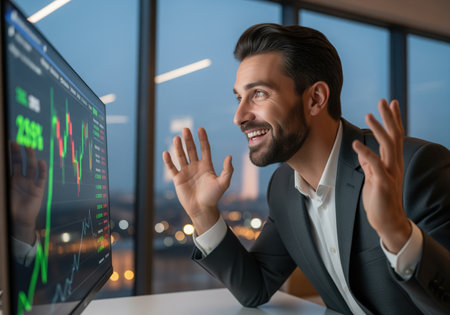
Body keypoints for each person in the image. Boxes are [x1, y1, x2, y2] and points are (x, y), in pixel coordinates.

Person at [162, 23, 450, 314]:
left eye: (259, 94)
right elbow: (255, 287)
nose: (239, 116)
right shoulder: (284, 187)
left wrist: (397, 233)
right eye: (239, 98)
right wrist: (203, 213)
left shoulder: (416, 167)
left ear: (315, 99)